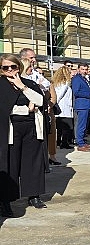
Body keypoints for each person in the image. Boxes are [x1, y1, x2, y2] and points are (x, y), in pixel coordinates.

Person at [0, 54, 46, 217]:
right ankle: (5, 201)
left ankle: (34, 195)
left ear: (19, 67)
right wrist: (26, 109)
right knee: (9, 164)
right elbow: (6, 109)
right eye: (6, 67)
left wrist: (22, 87)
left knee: (32, 162)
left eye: (13, 66)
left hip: (31, 127)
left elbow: (40, 101)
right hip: (9, 129)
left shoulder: (28, 83)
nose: (10, 70)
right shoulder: (1, 85)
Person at [72, 63, 90, 152]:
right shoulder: (77, 79)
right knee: (81, 125)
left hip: (88, 105)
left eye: (86, 69)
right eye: (82, 69)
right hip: (82, 105)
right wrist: (89, 95)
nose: (84, 71)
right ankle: (80, 143)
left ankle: (83, 141)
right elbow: (76, 92)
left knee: (85, 125)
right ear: (78, 69)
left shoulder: (85, 79)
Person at [52, 66, 74, 149]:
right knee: (66, 127)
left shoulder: (56, 84)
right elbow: (59, 95)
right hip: (64, 109)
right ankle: (64, 143)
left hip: (61, 109)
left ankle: (59, 142)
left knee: (60, 128)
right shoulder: (65, 84)